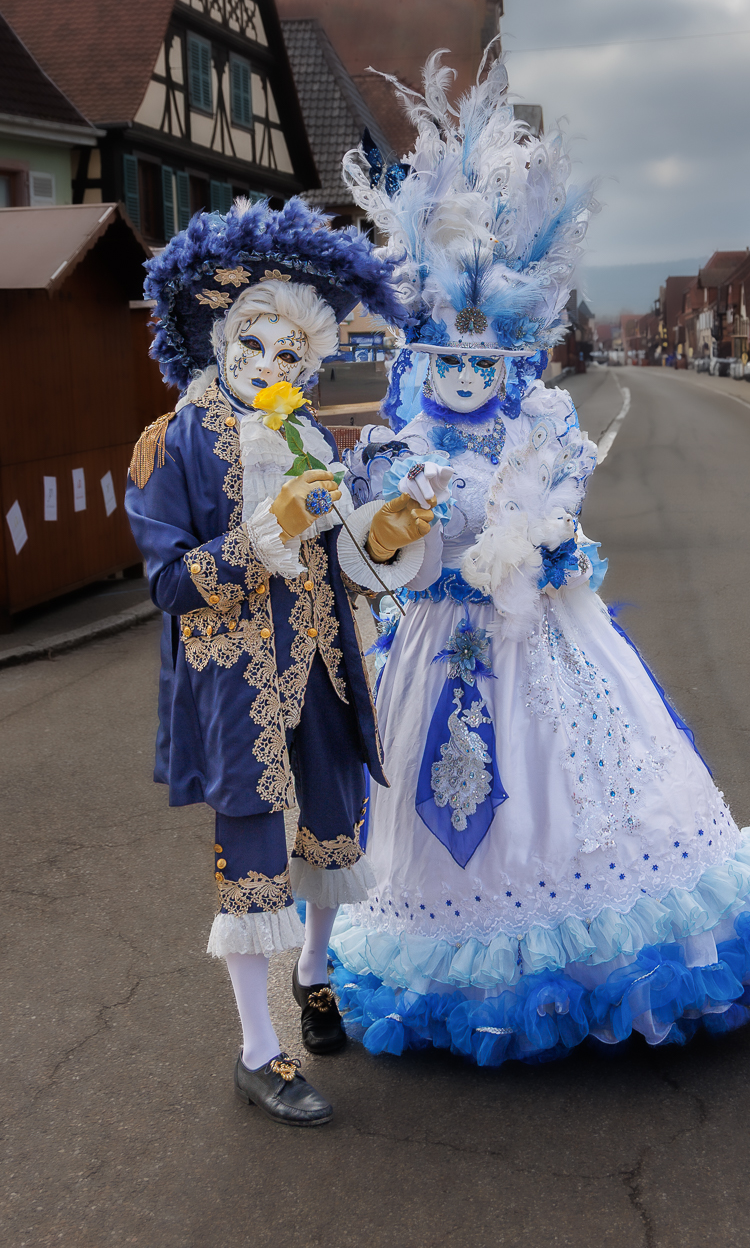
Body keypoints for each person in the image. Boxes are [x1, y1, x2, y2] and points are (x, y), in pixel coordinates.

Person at [329, 52, 750, 1064]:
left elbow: (557, 510)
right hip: (436, 650)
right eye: (450, 364)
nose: (469, 380)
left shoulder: (547, 423)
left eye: (488, 364)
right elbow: (371, 556)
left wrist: (526, 537)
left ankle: (603, 951)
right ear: (423, 357)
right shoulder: (397, 446)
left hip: (543, 641)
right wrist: (401, 528)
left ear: (514, 357)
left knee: (592, 786)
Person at [125, 198, 424, 1123]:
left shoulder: (315, 436)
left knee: (334, 825)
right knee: (251, 853)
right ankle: (260, 1052)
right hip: (234, 680)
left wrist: (391, 529)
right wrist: (261, 535)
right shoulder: (171, 441)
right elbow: (168, 584)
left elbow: (348, 563)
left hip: (326, 664)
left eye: (289, 353)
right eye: (252, 345)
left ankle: (316, 972)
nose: (268, 365)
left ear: (311, 359)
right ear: (219, 339)